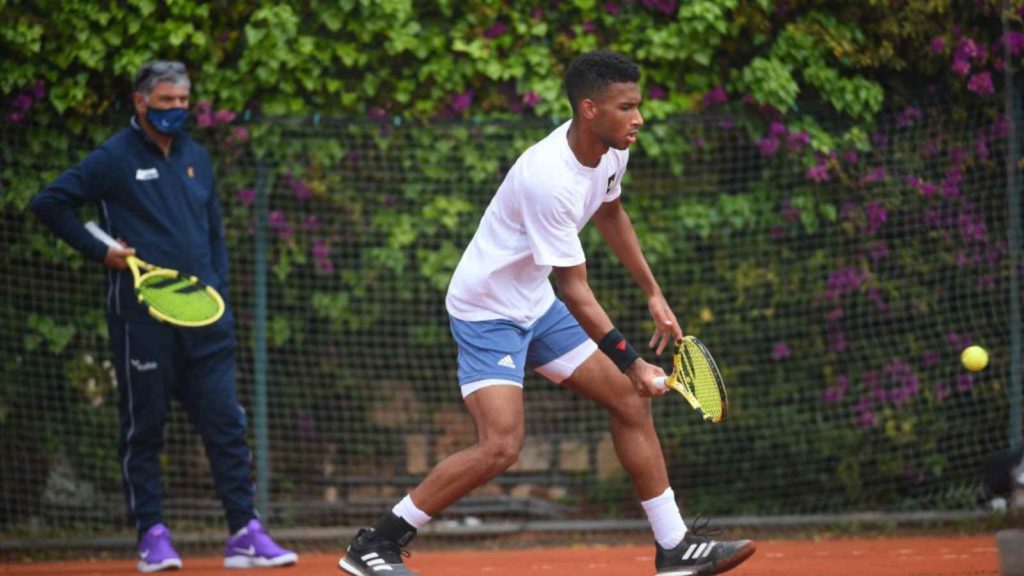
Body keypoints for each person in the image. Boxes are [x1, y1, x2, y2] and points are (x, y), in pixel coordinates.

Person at [337, 51, 755, 576]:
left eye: (638, 106)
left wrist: (653, 292)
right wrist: (633, 362)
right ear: (588, 109)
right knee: (501, 446)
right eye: (626, 108)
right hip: (487, 309)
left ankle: (674, 546)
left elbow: (610, 212)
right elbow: (576, 292)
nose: (639, 119)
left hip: (532, 300)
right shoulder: (547, 178)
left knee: (629, 403)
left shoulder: (611, 151)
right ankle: (376, 542)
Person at [30, 61, 297, 573]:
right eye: (166, 101)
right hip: (141, 319)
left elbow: (214, 233)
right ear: (140, 101)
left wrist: (216, 293)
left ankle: (244, 532)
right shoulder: (112, 157)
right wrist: (100, 250)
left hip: (207, 321)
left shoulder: (197, 157)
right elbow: (50, 203)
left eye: (183, 101)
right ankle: (152, 535)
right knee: (144, 428)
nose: (177, 109)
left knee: (226, 424)